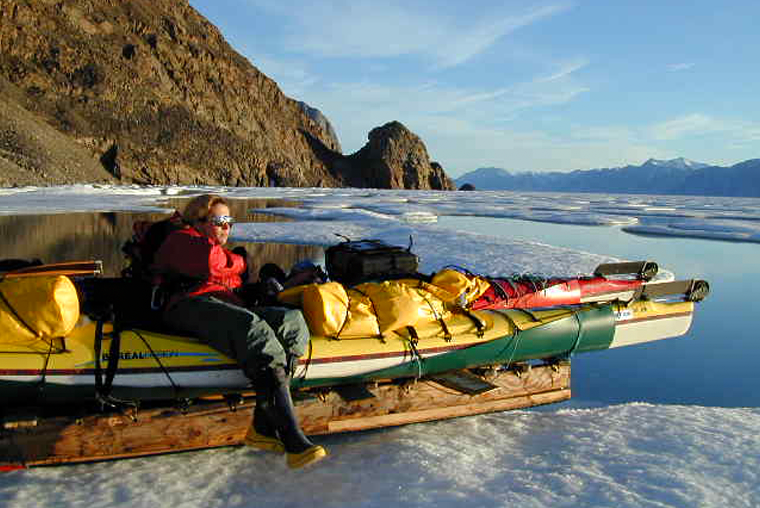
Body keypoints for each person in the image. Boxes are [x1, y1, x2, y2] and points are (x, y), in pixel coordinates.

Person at [152, 194, 327, 469]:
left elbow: (224, 269)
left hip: (219, 303)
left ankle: (263, 421)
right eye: (220, 220)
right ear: (198, 220)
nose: (227, 227)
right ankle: (292, 437)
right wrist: (241, 262)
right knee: (252, 329)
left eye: (229, 221)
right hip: (186, 305)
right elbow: (212, 262)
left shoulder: (210, 246)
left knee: (291, 322)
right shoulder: (180, 239)